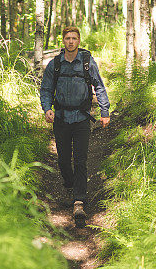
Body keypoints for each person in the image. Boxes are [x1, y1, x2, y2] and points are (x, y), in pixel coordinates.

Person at [40, 26, 110, 227]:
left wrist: (104, 112)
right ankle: (70, 185)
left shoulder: (87, 62)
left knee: (80, 159)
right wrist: (47, 109)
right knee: (63, 160)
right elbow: (45, 89)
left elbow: (99, 86)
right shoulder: (55, 65)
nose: (71, 41)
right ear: (63, 41)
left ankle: (79, 201)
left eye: (74, 38)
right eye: (67, 38)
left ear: (79, 41)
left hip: (81, 118)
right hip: (61, 118)